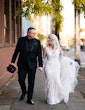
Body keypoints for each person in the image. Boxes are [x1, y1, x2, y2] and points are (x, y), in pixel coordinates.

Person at [43, 34, 80, 105]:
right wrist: (41, 66)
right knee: (49, 81)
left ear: (53, 40)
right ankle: (50, 98)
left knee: (56, 81)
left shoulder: (59, 49)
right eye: (48, 39)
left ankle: (56, 96)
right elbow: (44, 58)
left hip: (56, 67)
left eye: (49, 39)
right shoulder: (46, 48)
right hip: (48, 67)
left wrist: (70, 62)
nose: (48, 40)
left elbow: (62, 58)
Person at [10, 27, 43, 105]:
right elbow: (16, 52)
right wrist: (12, 62)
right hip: (22, 64)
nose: (34, 34)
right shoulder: (21, 40)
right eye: (33, 33)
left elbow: (39, 54)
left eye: (35, 33)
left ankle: (29, 98)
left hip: (32, 65)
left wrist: (40, 65)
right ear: (28, 33)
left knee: (31, 82)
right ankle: (24, 91)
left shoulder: (37, 42)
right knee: (21, 79)